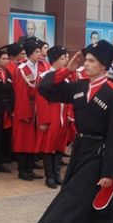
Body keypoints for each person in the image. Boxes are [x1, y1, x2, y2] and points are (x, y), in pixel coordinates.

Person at [14, 41, 113, 223]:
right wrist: (68, 69)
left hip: (99, 155)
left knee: (70, 199)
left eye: (91, 61)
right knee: (108, 202)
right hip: (80, 151)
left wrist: (110, 172)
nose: (85, 64)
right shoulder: (79, 87)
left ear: (104, 66)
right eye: (85, 60)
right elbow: (45, 88)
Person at [36, 46, 71, 188]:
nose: (65, 61)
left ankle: (57, 174)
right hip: (51, 115)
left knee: (59, 146)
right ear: (55, 60)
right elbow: (41, 100)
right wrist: (44, 120)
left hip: (62, 116)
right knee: (48, 146)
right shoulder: (45, 77)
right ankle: (49, 176)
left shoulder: (66, 79)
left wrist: (69, 115)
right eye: (62, 58)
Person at [12, 38, 43, 181]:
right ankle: (22, 170)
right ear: (30, 53)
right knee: (23, 141)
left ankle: (30, 169)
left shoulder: (40, 67)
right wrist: (24, 113)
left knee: (33, 141)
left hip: (37, 109)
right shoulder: (22, 69)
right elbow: (20, 93)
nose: (40, 54)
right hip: (25, 110)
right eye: (37, 51)